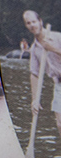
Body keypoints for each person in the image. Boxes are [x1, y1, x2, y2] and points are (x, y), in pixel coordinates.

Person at [23, 10, 61, 150]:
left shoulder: (57, 37)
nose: (32, 25)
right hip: (59, 83)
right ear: (26, 26)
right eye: (28, 23)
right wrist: (35, 99)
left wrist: (53, 48)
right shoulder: (34, 49)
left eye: (34, 21)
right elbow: (34, 74)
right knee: (60, 123)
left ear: (40, 21)